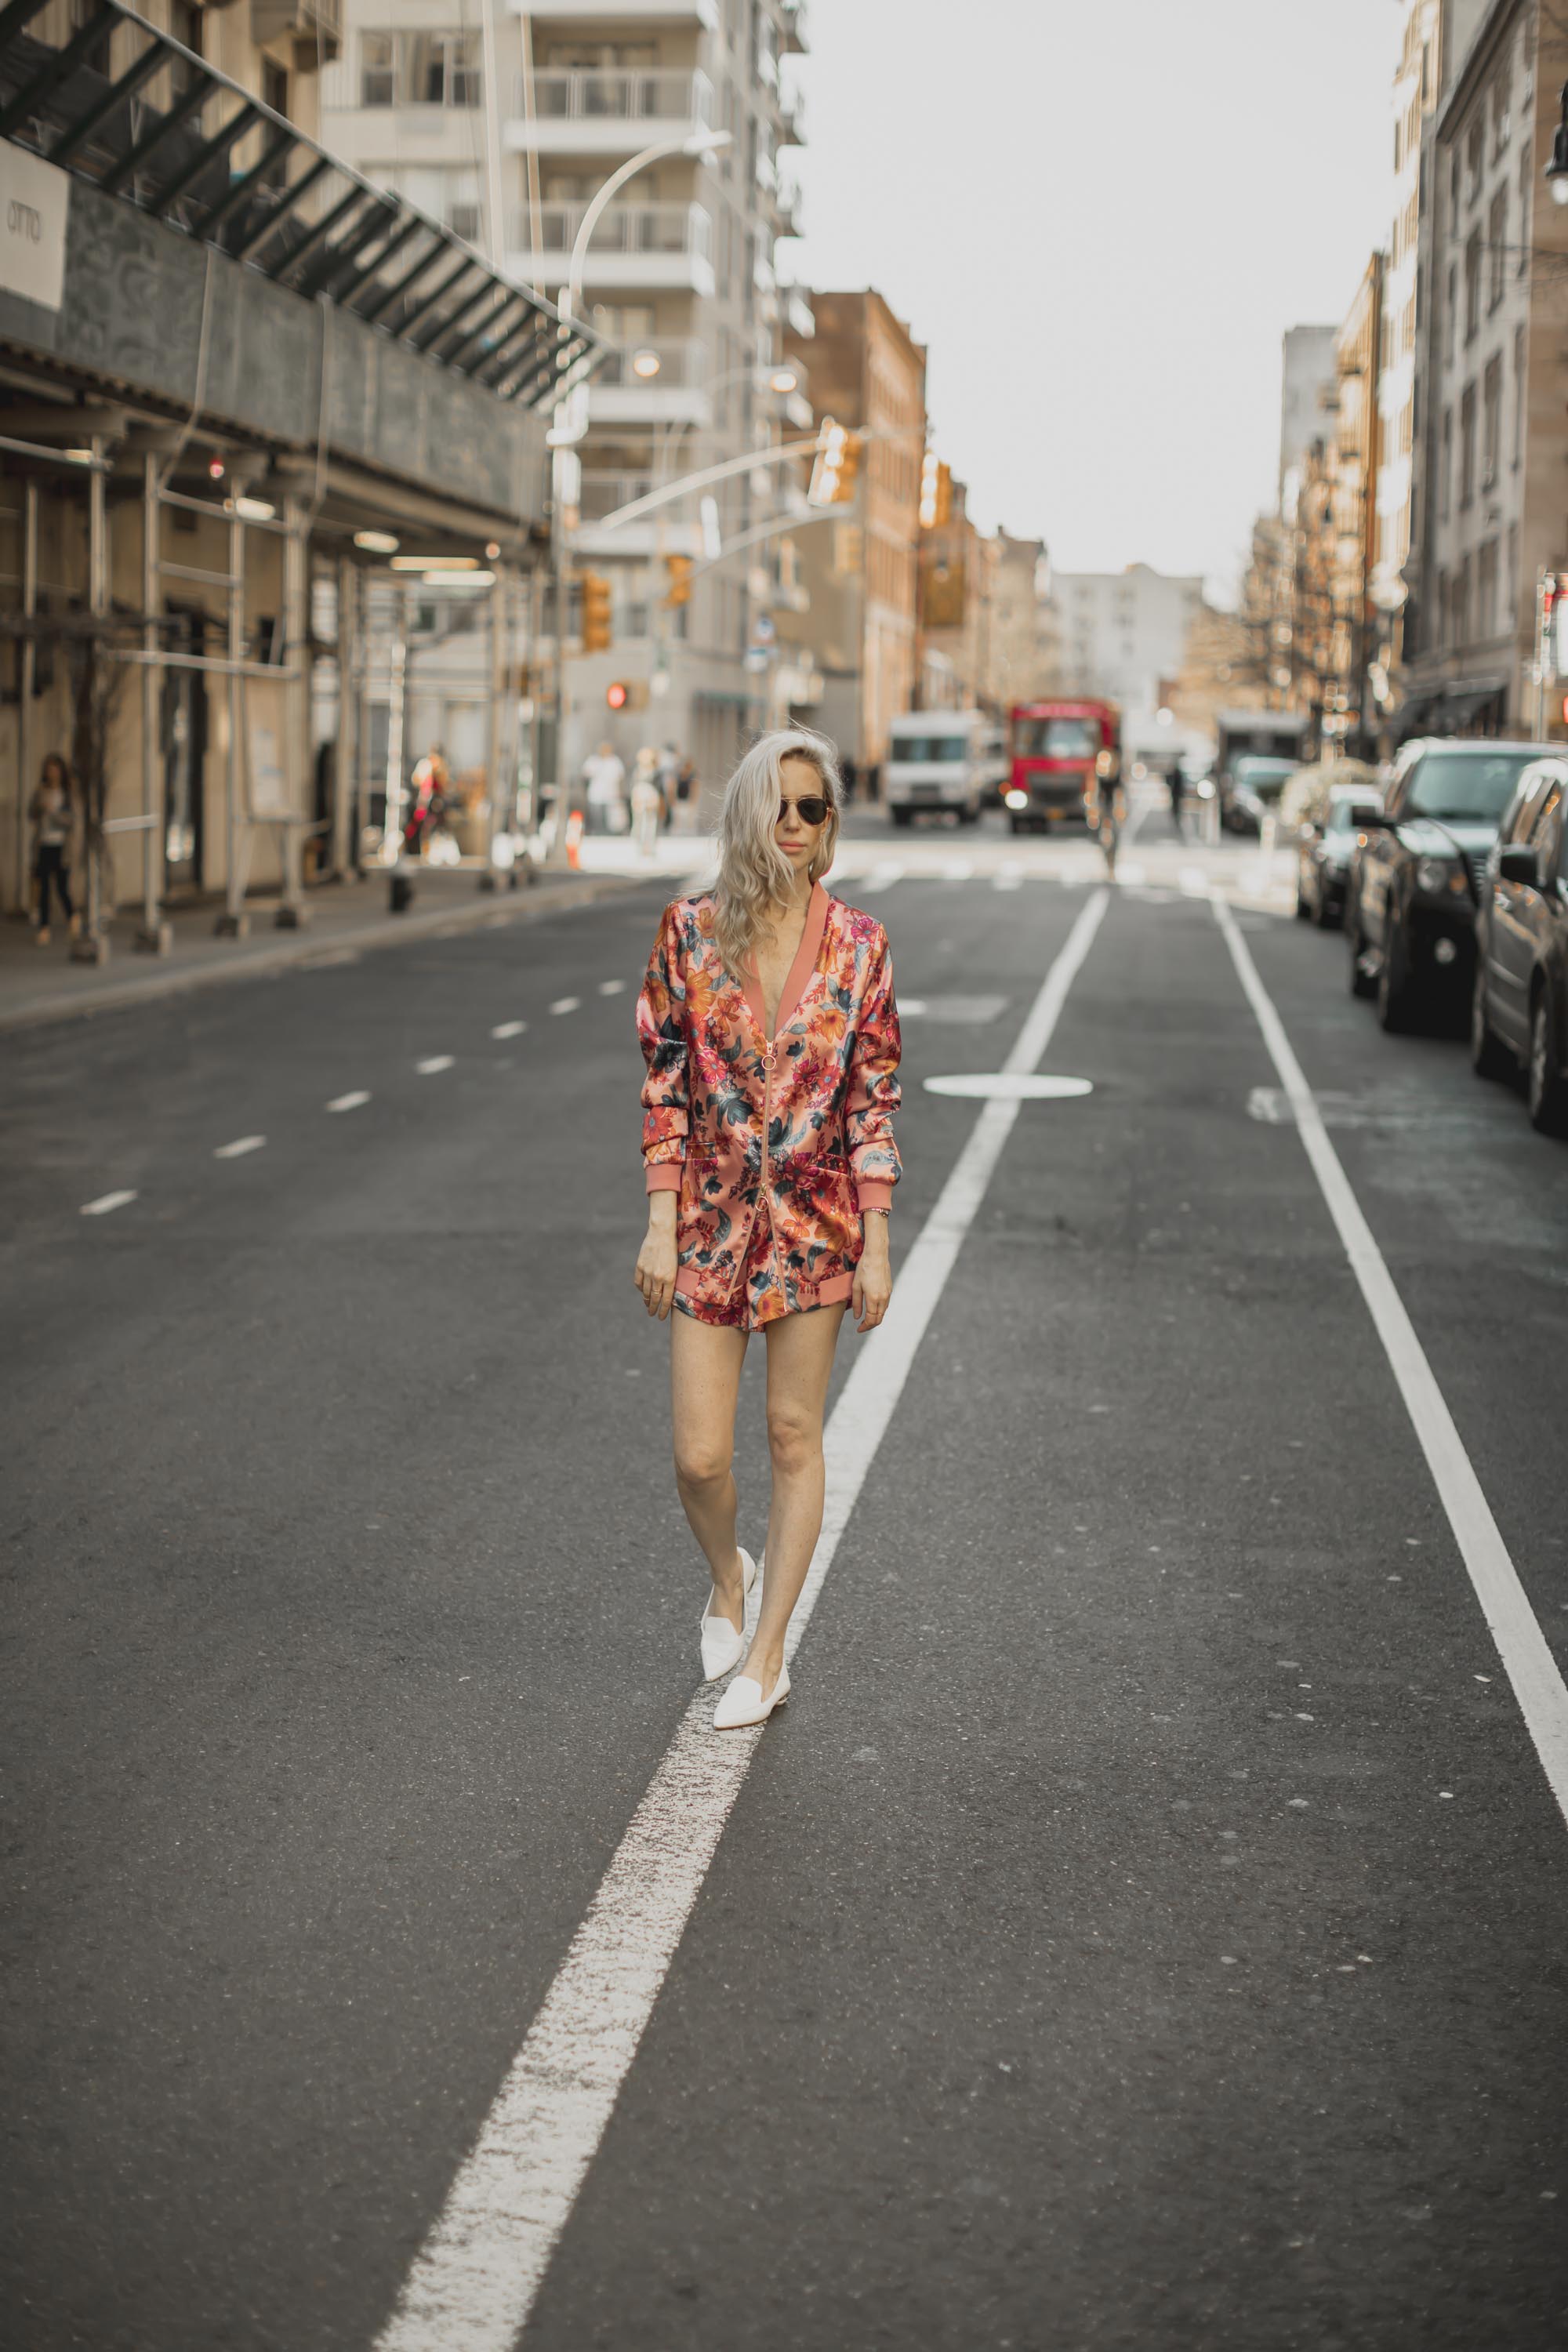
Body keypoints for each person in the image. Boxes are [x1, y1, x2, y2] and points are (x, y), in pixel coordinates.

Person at [633, 726, 901, 1733]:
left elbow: (873, 1098)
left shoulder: (861, 945)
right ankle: (726, 1575)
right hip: (706, 1220)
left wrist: (875, 1243)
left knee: (794, 1436)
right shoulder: (688, 933)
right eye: (776, 807)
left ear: (830, 824)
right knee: (699, 1459)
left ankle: (770, 1655)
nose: (792, 826)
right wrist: (659, 1222)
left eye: (812, 809)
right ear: (749, 814)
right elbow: (664, 1078)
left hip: (816, 1227)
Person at [28, 753, 75, 947]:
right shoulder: (40, 792)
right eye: (49, 769)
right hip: (44, 845)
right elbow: (30, 814)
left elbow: (71, 821)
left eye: (55, 769)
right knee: (44, 888)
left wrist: (54, 813)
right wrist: (41, 807)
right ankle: (44, 928)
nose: (52, 773)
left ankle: (73, 916)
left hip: (61, 847)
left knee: (62, 887)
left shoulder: (66, 794)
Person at [582, 740, 626, 836]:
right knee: (597, 814)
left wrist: (620, 791)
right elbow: (586, 774)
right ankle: (597, 832)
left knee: (610, 815)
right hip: (596, 794)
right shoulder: (593, 760)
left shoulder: (614, 761)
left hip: (611, 794)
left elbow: (620, 777)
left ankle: (609, 833)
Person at [630, 746, 664, 858]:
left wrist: (657, 801)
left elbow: (659, 788)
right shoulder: (638, 771)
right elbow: (634, 786)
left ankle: (650, 846)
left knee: (651, 822)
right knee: (639, 822)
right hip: (640, 797)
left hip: (652, 798)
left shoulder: (657, 771)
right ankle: (639, 846)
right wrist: (635, 799)